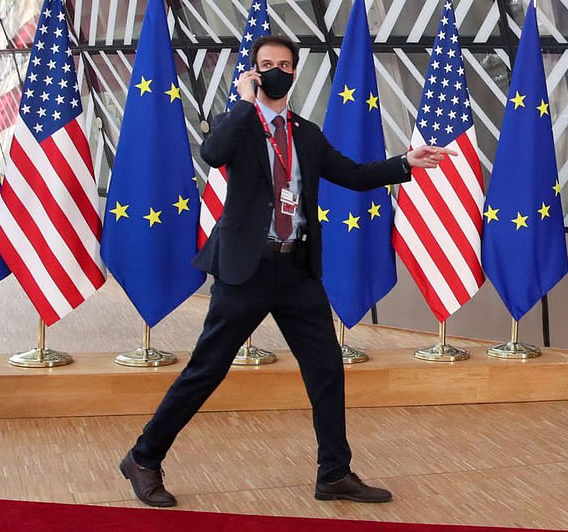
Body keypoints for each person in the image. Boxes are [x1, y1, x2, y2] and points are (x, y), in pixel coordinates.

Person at [119, 35, 455, 507]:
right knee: (206, 370)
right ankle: (143, 457)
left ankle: (334, 473)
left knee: (326, 369)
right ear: (254, 72)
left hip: (296, 271)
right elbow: (213, 153)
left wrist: (405, 163)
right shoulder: (239, 125)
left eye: (283, 64)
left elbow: (354, 175)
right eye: (265, 64)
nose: (275, 70)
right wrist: (243, 101)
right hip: (245, 271)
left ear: (294, 73)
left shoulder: (307, 133)